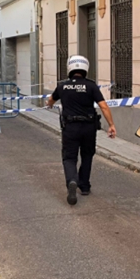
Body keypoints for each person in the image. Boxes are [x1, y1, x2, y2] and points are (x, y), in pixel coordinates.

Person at [46, 55, 116, 205]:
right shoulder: (91, 86)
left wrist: (50, 104)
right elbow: (103, 106)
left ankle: (72, 180)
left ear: (70, 67)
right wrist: (111, 125)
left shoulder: (62, 86)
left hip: (70, 127)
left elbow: (51, 100)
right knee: (87, 155)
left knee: (69, 158)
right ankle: (84, 186)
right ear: (85, 68)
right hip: (89, 128)